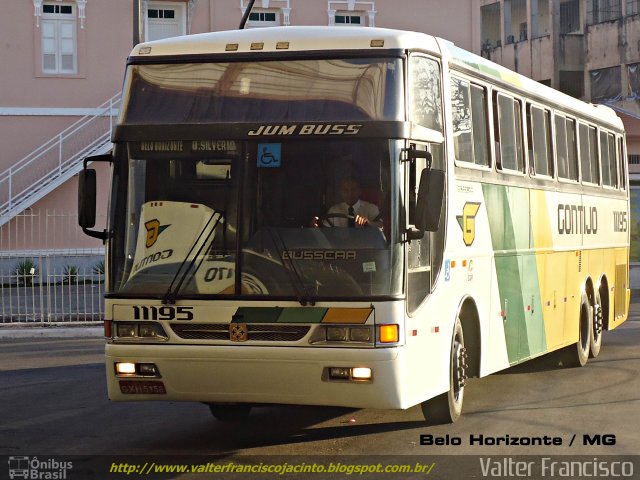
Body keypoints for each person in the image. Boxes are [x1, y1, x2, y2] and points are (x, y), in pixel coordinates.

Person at [311, 178, 382, 228]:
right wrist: (316, 226)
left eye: (353, 189)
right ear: (341, 193)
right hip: (340, 247)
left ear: (359, 191)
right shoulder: (334, 210)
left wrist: (369, 223)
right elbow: (326, 231)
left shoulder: (371, 208)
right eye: (345, 190)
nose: (349, 193)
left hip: (366, 246)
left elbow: (382, 227)